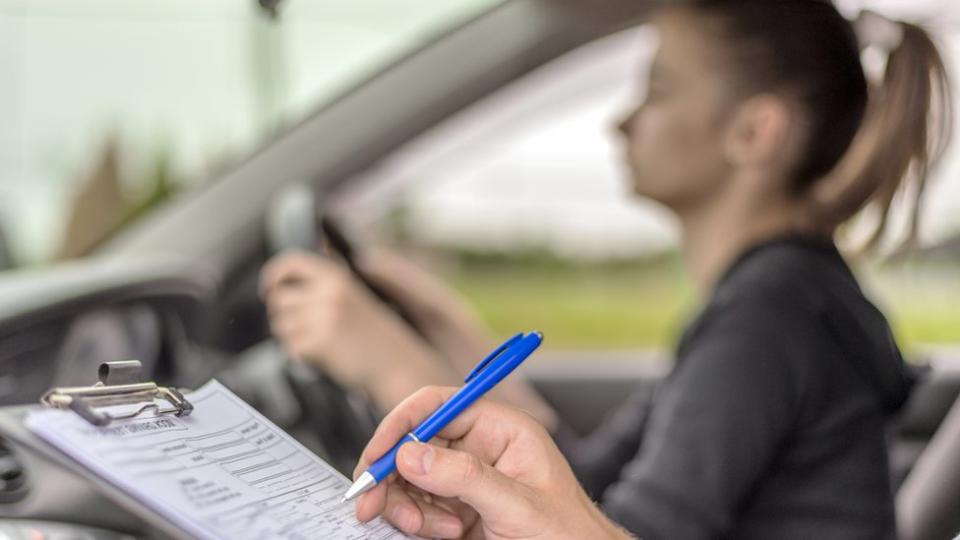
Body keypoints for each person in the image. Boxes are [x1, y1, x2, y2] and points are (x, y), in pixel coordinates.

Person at [259, 1, 952, 538]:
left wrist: (387, 367)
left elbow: (621, 530)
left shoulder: (771, 318)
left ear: (754, 132)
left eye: (659, 89)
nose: (623, 122)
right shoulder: (781, 297)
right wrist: (449, 335)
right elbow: (587, 483)